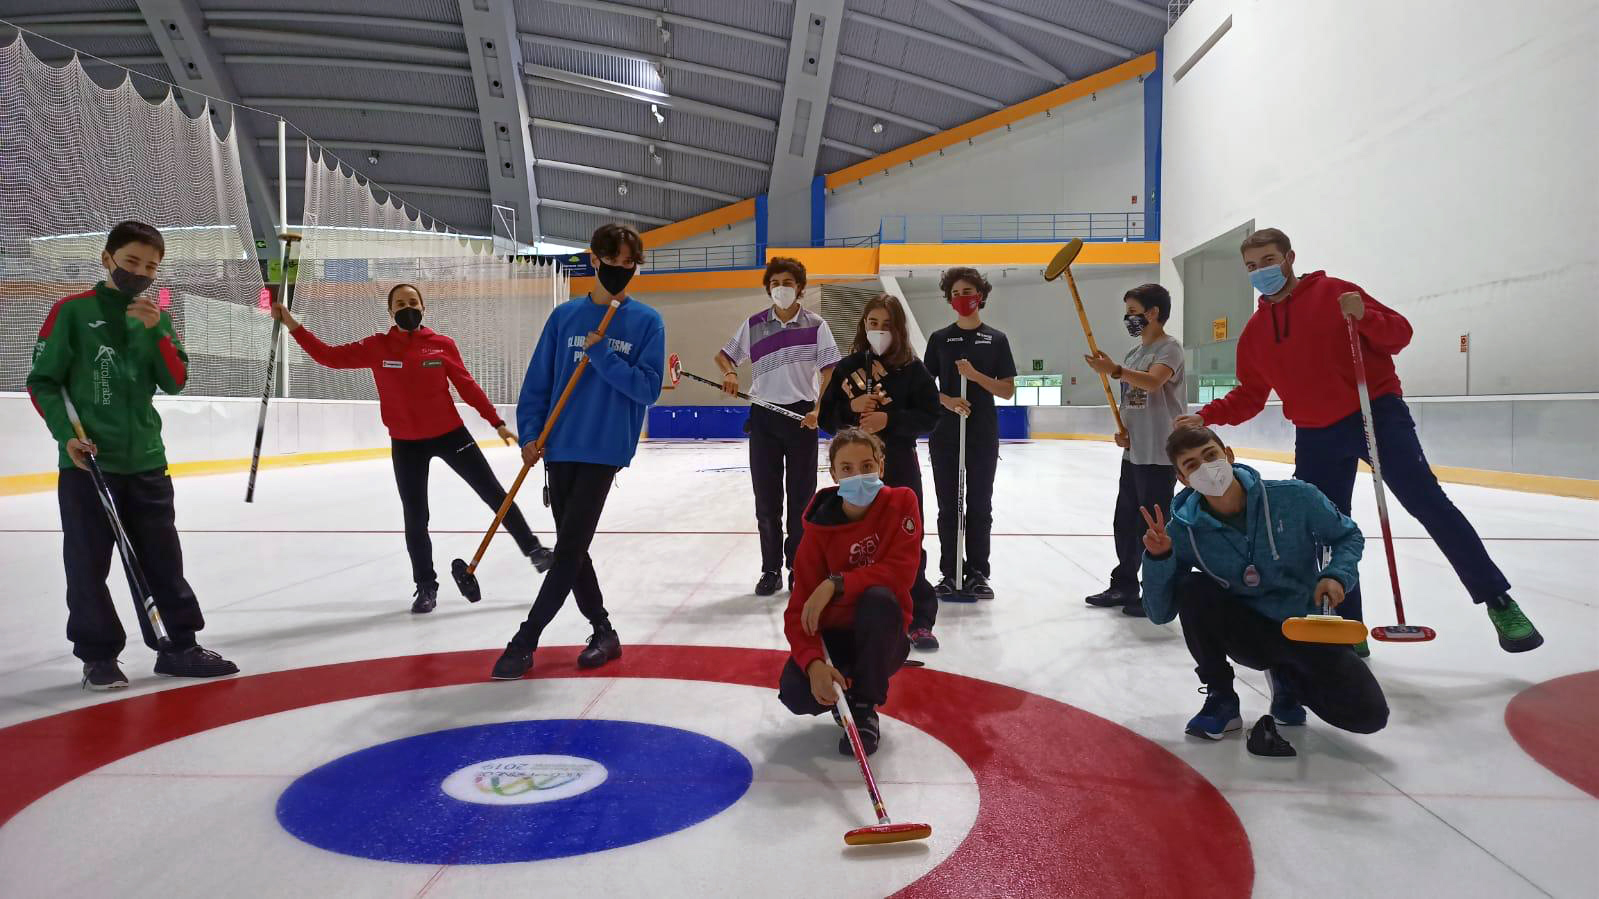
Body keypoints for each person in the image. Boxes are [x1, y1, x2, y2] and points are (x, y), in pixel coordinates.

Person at [1174, 227, 1541, 654]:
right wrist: (1206, 414)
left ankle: (1498, 600)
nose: (1261, 272)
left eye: (1269, 261)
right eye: (1252, 267)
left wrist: (1364, 316)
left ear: (1290, 258)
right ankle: (1347, 624)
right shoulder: (1255, 334)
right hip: (1315, 432)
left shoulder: (1335, 293)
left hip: (1375, 415)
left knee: (1428, 503)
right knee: (1323, 528)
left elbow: (1399, 334)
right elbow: (1251, 396)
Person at [25, 220, 239, 689]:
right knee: (87, 562)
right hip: (88, 463)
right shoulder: (73, 313)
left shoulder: (155, 315)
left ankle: (178, 645)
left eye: (150, 267)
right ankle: (99, 654)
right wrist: (67, 436)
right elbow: (43, 380)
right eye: (131, 262)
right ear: (107, 259)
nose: (140, 273)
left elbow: (174, 379)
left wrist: (152, 332)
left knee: (163, 557)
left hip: (146, 459)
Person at [273, 284, 551, 614]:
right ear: (390, 312)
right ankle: (425, 587)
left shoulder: (441, 346)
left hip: (451, 435)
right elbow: (328, 357)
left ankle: (535, 551)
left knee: (494, 494)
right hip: (407, 444)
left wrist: (496, 422)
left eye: (413, 302)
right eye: (401, 304)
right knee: (416, 517)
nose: (408, 307)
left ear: (423, 307)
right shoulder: (376, 346)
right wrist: (292, 324)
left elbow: (467, 386)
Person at [491, 223, 665, 680]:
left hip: (604, 450)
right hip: (559, 446)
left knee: (567, 550)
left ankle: (524, 641)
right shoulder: (564, 317)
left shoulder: (648, 322)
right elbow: (538, 384)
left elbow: (648, 389)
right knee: (576, 548)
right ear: (595, 259)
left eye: (631, 264)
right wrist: (530, 434)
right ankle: (603, 631)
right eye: (614, 261)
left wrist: (604, 356)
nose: (621, 270)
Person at [1140, 426, 1389, 744]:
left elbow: (1347, 535)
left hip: (1304, 626)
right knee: (1193, 589)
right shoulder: (1183, 531)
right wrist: (1159, 558)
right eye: (1191, 465)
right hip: (1248, 633)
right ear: (1183, 479)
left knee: (1368, 716)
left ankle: (1289, 680)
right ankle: (1221, 698)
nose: (1206, 468)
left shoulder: (1295, 497)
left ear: (1228, 455)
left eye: (1210, 456)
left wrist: (1337, 575)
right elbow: (1160, 613)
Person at [778, 429, 917, 757]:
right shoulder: (818, 530)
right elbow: (799, 609)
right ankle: (842, 694)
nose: (859, 476)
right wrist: (814, 664)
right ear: (834, 473)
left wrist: (836, 583)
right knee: (796, 692)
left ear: (881, 466)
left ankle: (864, 706)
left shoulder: (901, 502)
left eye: (867, 465)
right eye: (847, 469)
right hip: (836, 636)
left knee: (880, 599)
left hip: (884, 633)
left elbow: (901, 571)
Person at [819, 296, 942, 650]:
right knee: (855, 540)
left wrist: (890, 420)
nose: (878, 330)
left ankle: (919, 618)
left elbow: (931, 417)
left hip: (899, 464)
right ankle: (853, 611)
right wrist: (851, 408)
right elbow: (827, 419)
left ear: (898, 328)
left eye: (886, 324)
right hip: (856, 469)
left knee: (908, 540)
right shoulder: (847, 368)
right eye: (872, 322)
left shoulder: (913, 370)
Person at [715, 256, 839, 596]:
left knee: (802, 502)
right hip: (764, 418)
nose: (780, 289)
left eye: (787, 283)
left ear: (799, 287)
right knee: (766, 503)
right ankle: (770, 569)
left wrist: (818, 409)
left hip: (802, 419)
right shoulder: (754, 324)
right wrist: (729, 372)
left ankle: (799, 568)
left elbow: (830, 371)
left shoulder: (816, 325)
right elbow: (725, 355)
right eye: (775, 284)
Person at [1082, 283, 1184, 617]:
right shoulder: (1132, 354)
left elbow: (1153, 382)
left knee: (1153, 526)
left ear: (1153, 313)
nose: (1128, 319)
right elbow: (1132, 399)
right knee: (1125, 522)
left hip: (1158, 455)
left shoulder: (1169, 349)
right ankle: (1124, 583)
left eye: (1132, 312)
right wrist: (1123, 430)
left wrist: (1114, 371)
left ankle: (1156, 590)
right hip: (1134, 453)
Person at [923, 267, 1016, 601]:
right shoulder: (939, 339)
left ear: (981, 296)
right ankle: (950, 571)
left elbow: (1006, 390)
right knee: (949, 506)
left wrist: (974, 375)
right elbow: (923, 388)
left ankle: (977, 572)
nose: (963, 298)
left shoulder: (996, 339)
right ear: (950, 300)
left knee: (979, 504)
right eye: (956, 293)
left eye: (969, 292)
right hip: (945, 431)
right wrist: (946, 400)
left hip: (981, 431)